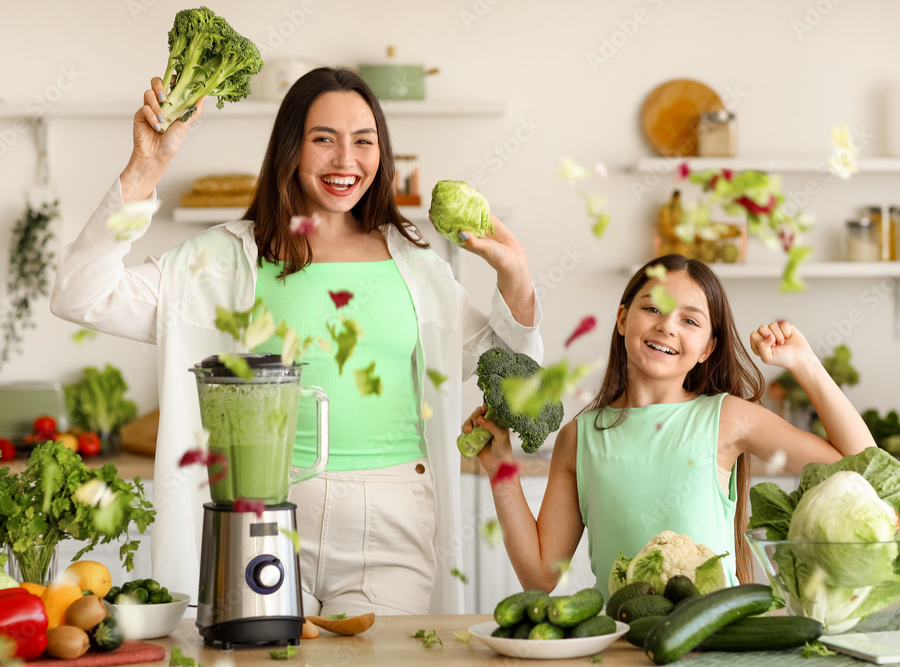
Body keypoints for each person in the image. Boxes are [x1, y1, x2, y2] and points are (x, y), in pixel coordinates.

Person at [50, 67, 544, 616]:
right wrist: (147, 165)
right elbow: (79, 294)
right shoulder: (224, 260)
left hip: (390, 516)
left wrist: (514, 272)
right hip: (260, 510)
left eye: (364, 141)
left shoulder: (417, 267)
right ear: (291, 147)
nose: (345, 161)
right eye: (323, 140)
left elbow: (511, 367)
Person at [466, 253, 876, 598]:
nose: (667, 326)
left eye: (691, 321)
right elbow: (539, 576)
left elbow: (862, 468)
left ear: (708, 349)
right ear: (623, 319)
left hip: (717, 646)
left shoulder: (728, 417)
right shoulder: (580, 436)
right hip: (622, 646)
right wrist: (500, 465)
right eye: (653, 308)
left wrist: (805, 363)